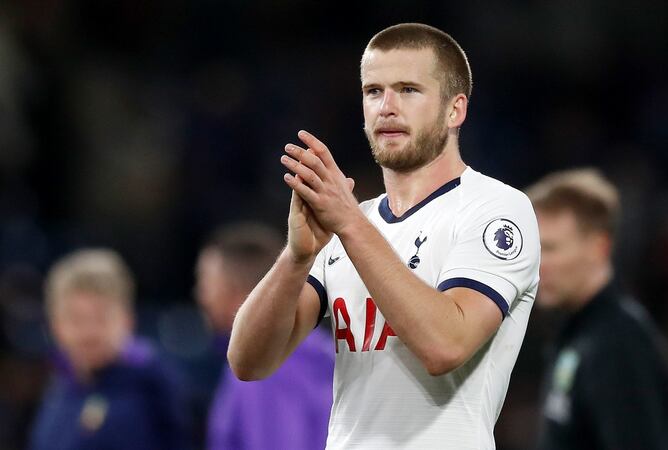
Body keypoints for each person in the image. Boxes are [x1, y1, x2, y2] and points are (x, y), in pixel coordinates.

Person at [227, 23, 541, 449]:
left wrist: (350, 224)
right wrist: (296, 258)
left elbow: (445, 345)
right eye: (373, 91)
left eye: (409, 90)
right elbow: (248, 362)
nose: (386, 107)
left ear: (455, 110)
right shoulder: (347, 224)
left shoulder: (496, 209)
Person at [524, 168, 668, 450]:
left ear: (598, 248)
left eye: (550, 248)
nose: (537, 263)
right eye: (533, 248)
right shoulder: (579, 335)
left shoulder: (618, 343)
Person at [29, 249, 189, 450]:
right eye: (75, 319)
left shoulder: (154, 387)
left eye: (101, 317)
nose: (89, 331)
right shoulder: (58, 388)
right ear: (55, 325)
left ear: (127, 320)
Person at [195, 222, 334, 450]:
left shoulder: (266, 365)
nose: (201, 296)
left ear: (236, 288)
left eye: (206, 283)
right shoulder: (308, 350)